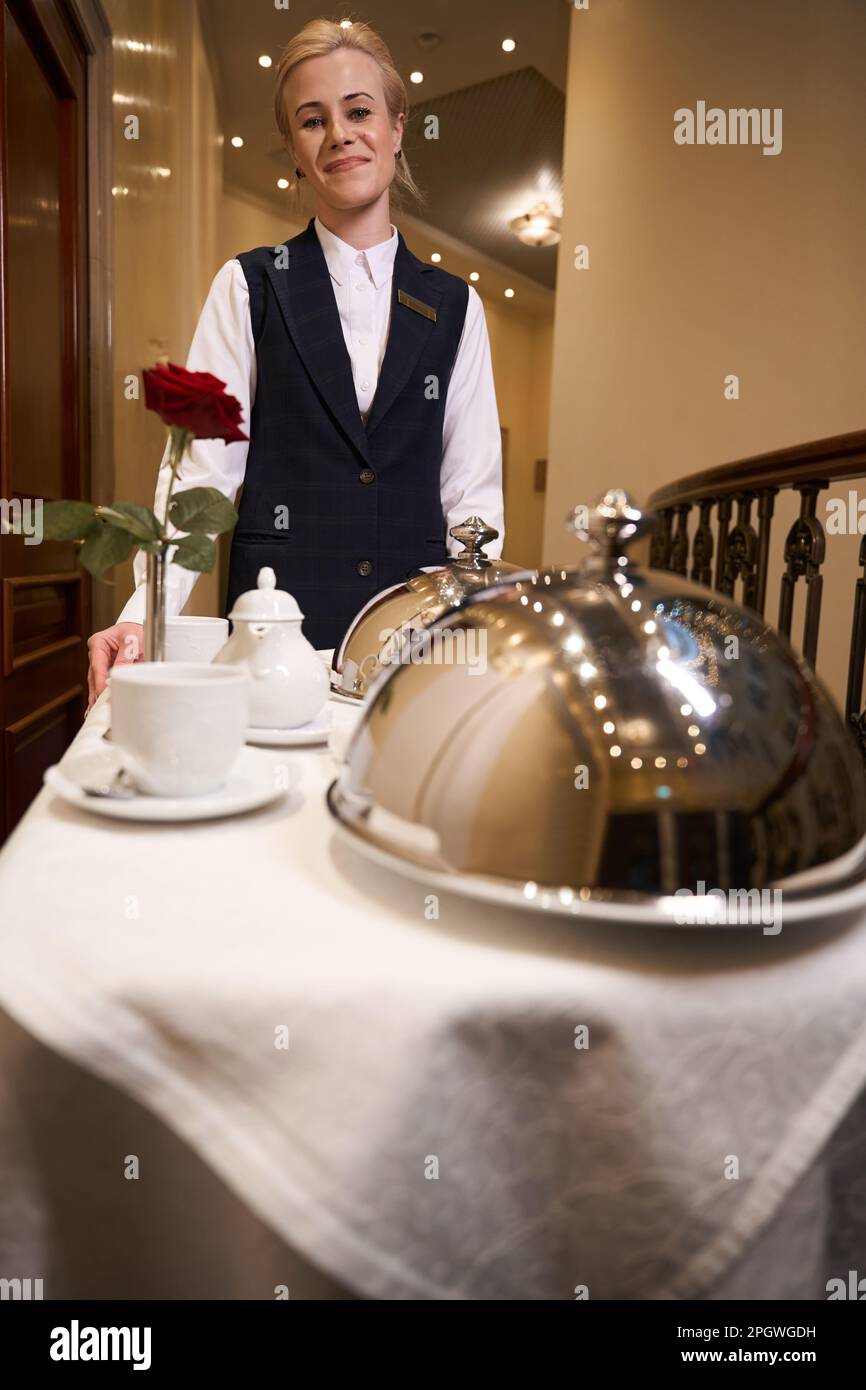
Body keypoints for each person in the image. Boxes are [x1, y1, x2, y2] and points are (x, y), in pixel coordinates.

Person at [86, 17, 504, 711]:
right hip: (268, 650)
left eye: (360, 111)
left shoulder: (458, 307)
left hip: (412, 657)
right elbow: (202, 480)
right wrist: (141, 618)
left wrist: (462, 639)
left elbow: (472, 500)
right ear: (293, 150)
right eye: (313, 120)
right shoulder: (247, 285)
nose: (340, 133)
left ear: (398, 128)